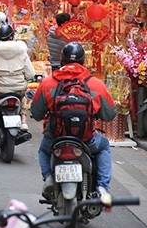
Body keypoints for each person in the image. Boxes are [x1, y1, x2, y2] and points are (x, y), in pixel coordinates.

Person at [31, 42, 116, 199]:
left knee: (43, 150)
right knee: (103, 147)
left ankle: (49, 178)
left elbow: (36, 113)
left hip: (56, 138)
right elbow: (109, 115)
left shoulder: (48, 82)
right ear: (84, 61)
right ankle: (102, 187)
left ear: (62, 61)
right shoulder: (96, 84)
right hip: (86, 139)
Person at [0, 24, 35, 132]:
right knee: (23, 97)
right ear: (12, 36)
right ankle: (24, 120)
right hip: (19, 89)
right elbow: (30, 74)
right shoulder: (22, 52)